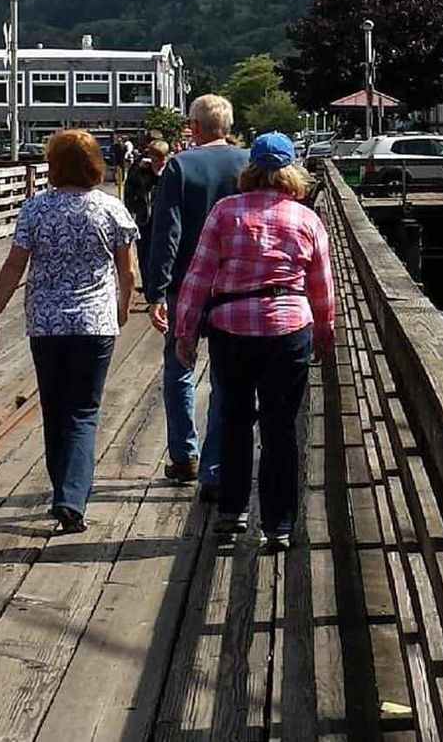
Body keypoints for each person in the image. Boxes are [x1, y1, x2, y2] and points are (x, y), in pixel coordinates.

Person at [174, 132, 335, 551]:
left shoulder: (225, 211)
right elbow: (321, 286)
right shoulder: (306, 219)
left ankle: (232, 514)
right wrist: (323, 331)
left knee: (235, 419)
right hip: (288, 329)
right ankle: (279, 525)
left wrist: (185, 332)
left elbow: (199, 276)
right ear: (291, 171)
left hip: (232, 329)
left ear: (251, 169)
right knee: (281, 429)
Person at [0, 129, 137, 534]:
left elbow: (14, 266)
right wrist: (121, 306)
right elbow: (128, 269)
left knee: (54, 408)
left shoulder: (35, 209)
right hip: (94, 324)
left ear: (54, 165)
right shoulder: (111, 208)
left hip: (47, 324)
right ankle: (71, 498)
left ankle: (62, 492)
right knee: (84, 411)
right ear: (94, 164)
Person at [147, 94, 248, 498]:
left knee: (179, 367)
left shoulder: (180, 165)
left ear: (196, 127)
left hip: (185, 284)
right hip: (235, 285)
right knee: (226, 376)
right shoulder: (247, 164)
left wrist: (156, 289)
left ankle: (183, 453)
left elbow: (166, 232)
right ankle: (216, 464)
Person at [123, 140, 170, 290]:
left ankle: (161, 288)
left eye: (163, 159)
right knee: (145, 257)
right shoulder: (139, 172)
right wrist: (132, 211)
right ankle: (149, 288)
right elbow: (129, 193)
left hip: (166, 222)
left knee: (164, 256)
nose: (160, 163)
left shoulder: (171, 172)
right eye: (157, 159)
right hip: (145, 220)